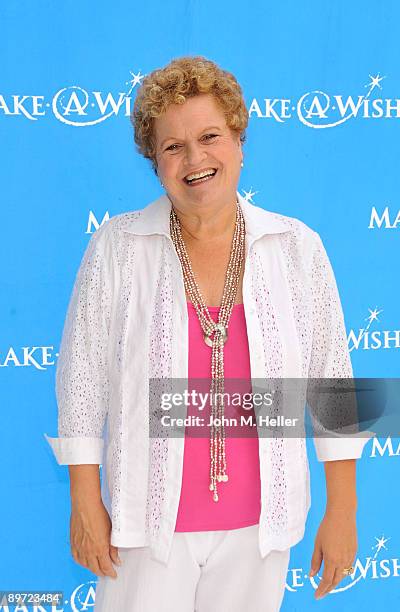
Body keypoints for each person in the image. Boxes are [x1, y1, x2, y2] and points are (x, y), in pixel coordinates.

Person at [44, 56, 375, 611]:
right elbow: (80, 381)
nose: (195, 159)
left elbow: (332, 380)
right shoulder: (118, 247)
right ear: (155, 162)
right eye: (173, 146)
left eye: (210, 136)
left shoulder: (297, 247)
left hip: (261, 528)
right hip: (144, 527)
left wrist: (342, 512)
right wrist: (84, 499)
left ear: (240, 142)